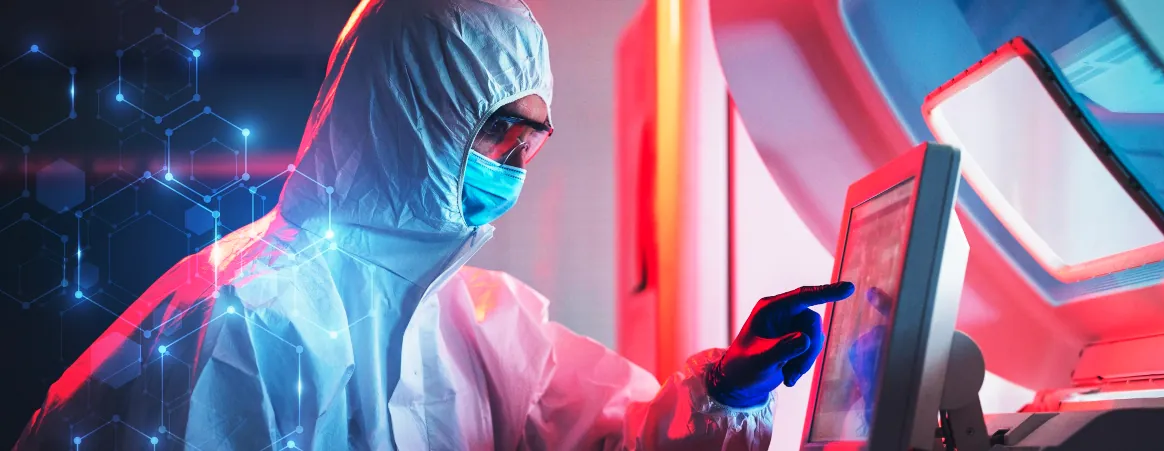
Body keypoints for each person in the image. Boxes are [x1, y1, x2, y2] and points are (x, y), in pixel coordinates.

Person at [13, 0, 853, 449]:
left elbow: (615, 436)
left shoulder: (475, 315)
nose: (513, 171)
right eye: (495, 133)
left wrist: (725, 391)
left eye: (531, 143)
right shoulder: (247, 320)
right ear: (404, 113)